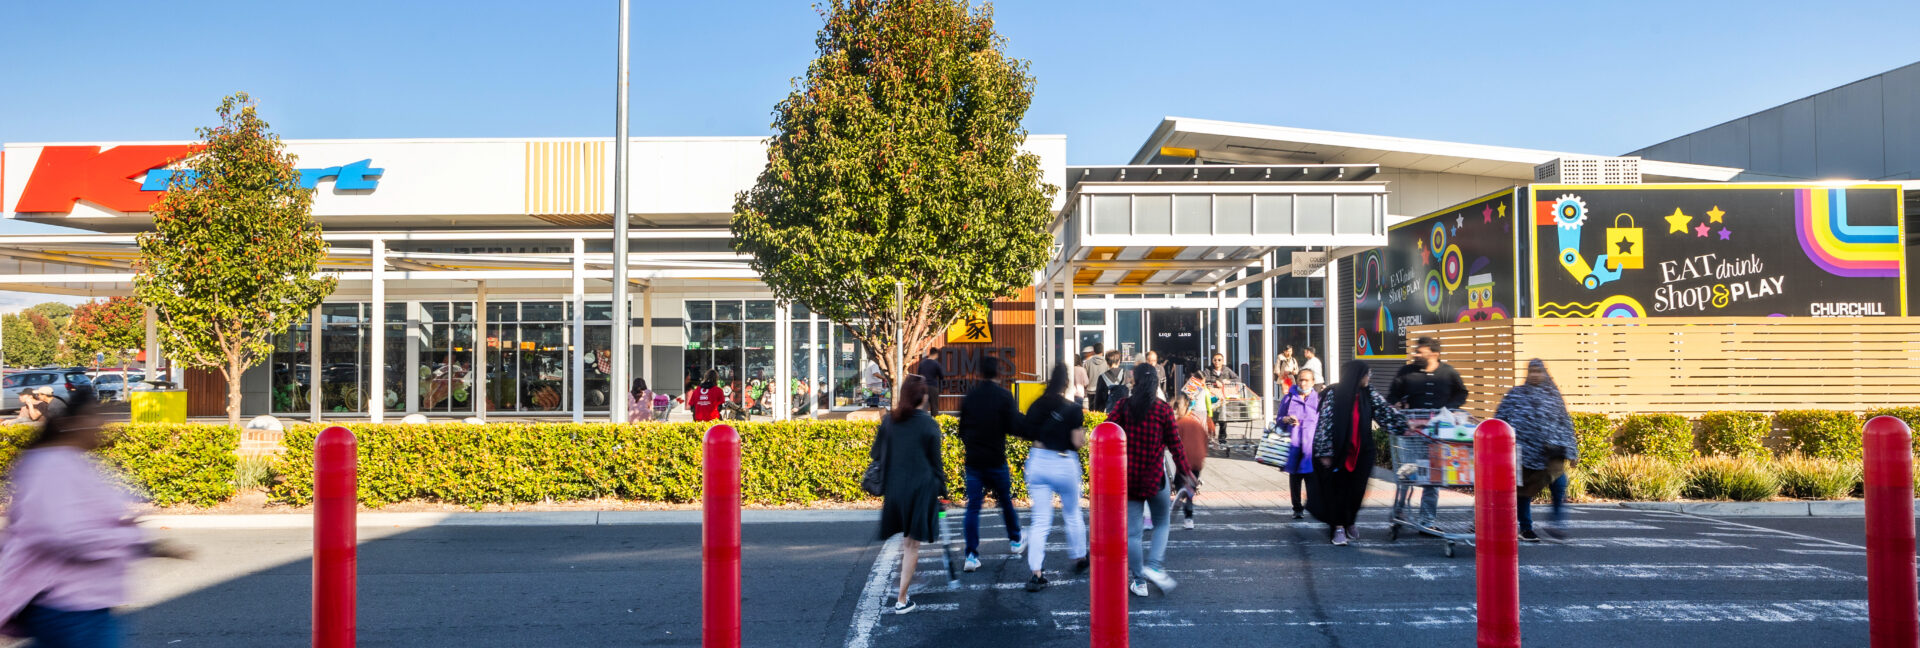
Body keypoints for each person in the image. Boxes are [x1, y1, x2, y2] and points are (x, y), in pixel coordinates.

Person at [0, 392, 194, 645]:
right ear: (70, 423)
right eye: (94, 416)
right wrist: (132, 541)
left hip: (81, 605)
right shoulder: (51, 465)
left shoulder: (69, 462)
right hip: (69, 607)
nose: (101, 424)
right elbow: (65, 535)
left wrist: (134, 541)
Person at [1107, 362, 1193, 597]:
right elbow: (1176, 447)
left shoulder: (1123, 407)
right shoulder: (1163, 410)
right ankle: (1154, 565)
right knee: (1162, 523)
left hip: (1129, 480)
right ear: (1155, 383)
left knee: (1133, 534)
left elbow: (1106, 429)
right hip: (1156, 478)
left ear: (1135, 382)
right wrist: (1186, 474)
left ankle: (1139, 582)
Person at [1312, 360, 1410, 546]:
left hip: (1363, 451)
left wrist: (1405, 426)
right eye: (1366, 373)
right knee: (1339, 491)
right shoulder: (1334, 394)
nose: (1369, 377)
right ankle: (1338, 527)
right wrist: (1325, 452)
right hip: (1340, 450)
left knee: (1357, 491)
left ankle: (1350, 520)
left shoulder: (1369, 393)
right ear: (1356, 375)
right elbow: (1324, 425)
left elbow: (1384, 412)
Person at [871, 377, 944, 615]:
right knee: (912, 544)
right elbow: (936, 463)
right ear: (922, 398)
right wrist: (943, 491)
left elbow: (877, 455)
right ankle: (902, 598)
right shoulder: (929, 424)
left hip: (895, 489)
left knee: (906, 541)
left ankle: (906, 585)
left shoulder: (889, 421)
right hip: (921, 489)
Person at [1015, 365, 1088, 592]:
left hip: (1038, 461)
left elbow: (1026, 431)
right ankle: (1079, 557)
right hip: (1064, 462)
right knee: (1072, 512)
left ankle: (1036, 573)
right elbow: (1077, 442)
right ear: (1066, 384)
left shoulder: (1037, 405)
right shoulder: (1072, 408)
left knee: (1040, 520)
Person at [1388, 337, 1468, 531]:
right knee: (1406, 473)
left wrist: (1449, 409)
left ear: (1434, 353)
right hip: (1411, 432)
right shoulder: (1407, 372)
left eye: (1420, 351)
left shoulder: (1448, 372)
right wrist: (1397, 404)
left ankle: (1427, 520)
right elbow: (1392, 395)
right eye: (1416, 351)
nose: (1416, 354)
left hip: (1438, 433)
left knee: (1433, 477)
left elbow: (1462, 393)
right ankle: (1399, 512)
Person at [955, 356, 1024, 572]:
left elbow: (962, 431)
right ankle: (1015, 541)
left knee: (973, 508)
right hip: (996, 459)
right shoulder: (1004, 396)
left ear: (979, 373)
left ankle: (971, 555)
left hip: (974, 461)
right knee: (1005, 501)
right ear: (997, 373)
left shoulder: (969, 397)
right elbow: (1014, 426)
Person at [1499, 359, 1578, 542]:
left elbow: (1565, 423)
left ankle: (1557, 523)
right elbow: (1501, 418)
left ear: (1545, 373)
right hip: (1523, 454)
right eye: (1532, 371)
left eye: (1538, 371)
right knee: (1524, 491)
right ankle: (1526, 528)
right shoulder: (1516, 395)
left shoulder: (1553, 396)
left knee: (1559, 485)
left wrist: (1572, 450)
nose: (1535, 374)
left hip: (1551, 453)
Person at [1276, 368, 1321, 519]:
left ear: (1313, 382)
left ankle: (1313, 505)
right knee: (1295, 479)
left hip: (1311, 447)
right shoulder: (1289, 398)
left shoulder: (1319, 399)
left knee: (1311, 478)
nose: (1303, 382)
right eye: (1301, 379)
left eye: (1307, 380)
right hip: (1294, 445)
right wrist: (1286, 420)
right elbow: (1279, 419)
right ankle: (1297, 507)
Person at [1170, 392, 1210, 530]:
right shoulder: (1196, 422)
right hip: (1197, 459)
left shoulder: (1178, 424)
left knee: (1178, 484)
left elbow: (1172, 443)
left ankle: (1183, 492)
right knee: (1189, 490)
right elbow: (1206, 438)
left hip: (1184, 460)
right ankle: (1188, 517)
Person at [914, 348, 946, 413]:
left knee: (923, 407)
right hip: (933, 387)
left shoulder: (922, 363)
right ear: (936, 354)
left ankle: (922, 421)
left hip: (923, 387)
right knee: (934, 407)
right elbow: (941, 376)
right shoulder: (936, 364)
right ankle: (934, 421)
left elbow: (919, 375)